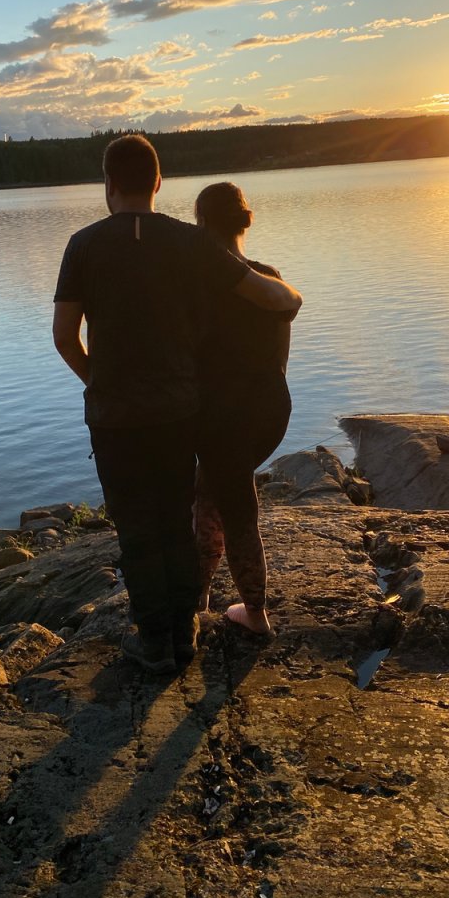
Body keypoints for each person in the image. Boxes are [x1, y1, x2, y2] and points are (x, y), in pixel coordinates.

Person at [52, 135, 302, 674]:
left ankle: (154, 644)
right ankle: (185, 633)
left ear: (108, 184)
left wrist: (102, 381)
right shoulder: (191, 243)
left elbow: (65, 337)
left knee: (136, 527)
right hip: (179, 410)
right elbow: (271, 298)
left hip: (115, 416)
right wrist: (291, 297)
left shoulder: (82, 244)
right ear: (158, 182)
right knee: (173, 518)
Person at [193, 182, 293, 636]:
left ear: (201, 224)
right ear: (245, 221)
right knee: (212, 489)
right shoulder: (269, 278)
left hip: (222, 412)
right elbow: (281, 360)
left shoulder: (197, 285)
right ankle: (202, 596)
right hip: (271, 407)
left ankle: (255, 614)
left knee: (234, 504)